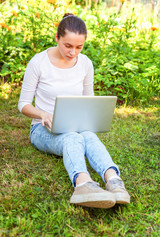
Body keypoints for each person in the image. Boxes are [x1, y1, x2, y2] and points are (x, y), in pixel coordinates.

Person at [18, 13, 130, 208]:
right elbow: (23, 104)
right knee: (73, 138)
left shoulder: (85, 63)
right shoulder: (38, 62)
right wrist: (43, 114)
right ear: (57, 38)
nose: (73, 52)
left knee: (87, 135)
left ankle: (113, 181)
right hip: (42, 129)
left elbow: (89, 100)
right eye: (68, 46)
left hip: (77, 126)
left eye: (79, 47)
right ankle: (83, 184)